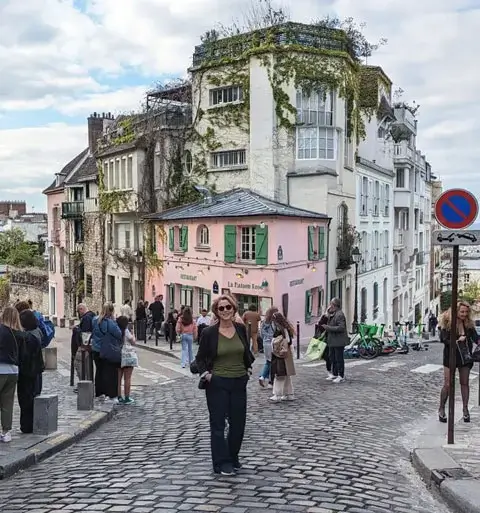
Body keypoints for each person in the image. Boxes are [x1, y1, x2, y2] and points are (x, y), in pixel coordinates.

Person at [193, 294, 254, 476]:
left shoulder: (240, 329)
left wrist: (247, 368)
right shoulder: (209, 333)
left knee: (238, 424)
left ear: (234, 309)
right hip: (218, 382)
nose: (226, 311)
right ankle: (221, 462)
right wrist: (207, 374)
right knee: (218, 424)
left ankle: (233, 456)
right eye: (221, 308)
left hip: (239, 381)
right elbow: (200, 358)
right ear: (216, 312)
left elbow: (246, 351)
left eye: (229, 307)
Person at [438, 301, 479, 423]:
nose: (464, 314)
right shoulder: (447, 323)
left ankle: (465, 410)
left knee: (464, 383)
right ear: (456, 311)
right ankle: (441, 408)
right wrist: (457, 340)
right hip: (450, 356)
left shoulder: (469, 324)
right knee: (448, 384)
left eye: (466, 312)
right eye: (462, 312)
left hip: (465, 357)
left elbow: (475, 338)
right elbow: (443, 339)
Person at [17, 309, 44, 433]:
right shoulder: (37, 332)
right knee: (33, 396)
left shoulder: (27, 337)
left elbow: (25, 356)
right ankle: (31, 424)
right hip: (36, 371)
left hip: (27, 371)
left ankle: (27, 425)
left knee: (25, 398)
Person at [91, 303, 123, 403]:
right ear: (111, 311)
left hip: (96, 349)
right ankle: (111, 395)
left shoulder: (95, 320)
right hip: (107, 351)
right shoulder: (110, 322)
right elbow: (119, 334)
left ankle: (99, 393)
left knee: (99, 372)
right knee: (110, 373)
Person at [0, 307, 22, 442]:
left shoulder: (1, 330)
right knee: (7, 403)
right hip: (13, 370)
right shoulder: (18, 333)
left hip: (1, 369)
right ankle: (6, 432)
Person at [270, 312, 296, 402]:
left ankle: (277, 394)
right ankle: (289, 393)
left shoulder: (280, 330)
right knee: (286, 374)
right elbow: (289, 341)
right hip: (286, 353)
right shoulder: (286, 328)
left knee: (279, 374)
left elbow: (286, 341)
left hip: (280, 354)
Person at [322, 298, 349, 384]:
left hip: (338, 340)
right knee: (332, 357)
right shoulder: (334, 313)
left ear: (335, 305)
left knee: (339, 358)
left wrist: (328, 328)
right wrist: (328, 313)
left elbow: (341, 327)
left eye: (331, 305)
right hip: (332, 340)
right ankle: (334, 373)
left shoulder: (339, 315)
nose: (330, 306)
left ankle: (341, 375)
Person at [72, 303, 95, 390]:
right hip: (90, 345)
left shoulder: (86, 318)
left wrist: (76, 329)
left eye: (78, 311)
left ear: (81, 309)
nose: (78, 314)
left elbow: (85, 332)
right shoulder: (92, 315)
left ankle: (83, 384)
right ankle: (88, 384)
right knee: (87, 366)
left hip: (85, 346)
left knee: (78, 363)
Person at [116, 316, 137, 405]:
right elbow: (133, 342)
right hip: (127, 355)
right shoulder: (126, 331)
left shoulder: (116, 331)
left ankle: (119, 397)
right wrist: (133, 334)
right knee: (127, 378)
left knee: (118, 379)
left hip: (117, 355)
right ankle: (127, 397)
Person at [259, 306, 278, 388]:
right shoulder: (274, 322)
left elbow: (261, 334)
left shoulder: (264, 322)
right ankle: (264, 377)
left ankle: (265, 378)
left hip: (265, 343)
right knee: (271, 363)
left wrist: (265, 339)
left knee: (268, 361)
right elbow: (275, 332)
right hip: (272, 343)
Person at [315, 308, 333, 380]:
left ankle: (332, 371)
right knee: (327, 356)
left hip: (332, 339)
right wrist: (326, 327)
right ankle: (329, 371)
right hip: (325, 339)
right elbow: (320, 326)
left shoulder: (334, 318)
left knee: (331, 356)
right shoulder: (324, 317)